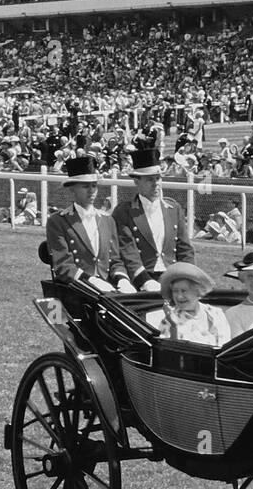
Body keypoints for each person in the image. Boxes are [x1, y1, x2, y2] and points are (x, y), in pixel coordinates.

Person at [45, 156, 136, 294]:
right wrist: (91, 281)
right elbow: (63, 266)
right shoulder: (58, 221)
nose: (91, 190)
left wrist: (122, 279)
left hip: (108, 288)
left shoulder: (107, 220)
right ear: (72, 189)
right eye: (85, 186)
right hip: (78, 289)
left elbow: (114, 260)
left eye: (94, 185)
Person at [114, 138, 193, 292]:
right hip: (141, 280)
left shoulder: (173, 208)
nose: (156, 183)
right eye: (150, 179)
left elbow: (184, 248)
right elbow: (128, 252)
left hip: (173, 277)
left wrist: (189, 276)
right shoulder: (124, 211)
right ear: (137, 181)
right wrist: (145, 282)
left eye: (158, 178)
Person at [143, 262, 230, 347]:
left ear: (197, 292)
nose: (179, 296)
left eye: (184, 291)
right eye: (175, 291)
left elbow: (225, 348)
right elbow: (169, 353)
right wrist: (174, 327)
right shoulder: (169, 319)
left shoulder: (215, 314)